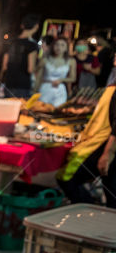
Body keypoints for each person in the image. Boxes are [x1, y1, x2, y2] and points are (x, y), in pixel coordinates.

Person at [57, 70, 116, 208]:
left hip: (105, 144)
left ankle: (89, 212)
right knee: (111, 191)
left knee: (68, 178)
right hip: (100, 141)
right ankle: (92, 215)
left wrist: (108, 153)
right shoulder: (111, 84)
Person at [0, 14, 40, 99]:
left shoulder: (11, 42)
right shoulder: (32, 45)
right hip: (23, 85)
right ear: (36, 26)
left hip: (9, 83)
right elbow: (30, 69)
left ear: (22, 25)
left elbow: (4, 66)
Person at [35, 37, 76, 107]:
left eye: (62, 45)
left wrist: (61, 80)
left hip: (60, 89)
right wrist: (35, 91)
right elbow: (38, 76)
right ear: (53, 46)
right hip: (45, 88)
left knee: (57, 111)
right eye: (57, 44)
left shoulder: (71, 61)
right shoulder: (45, 59)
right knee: (42, 109)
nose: (59, 47)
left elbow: (73, 78)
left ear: (66, 48)